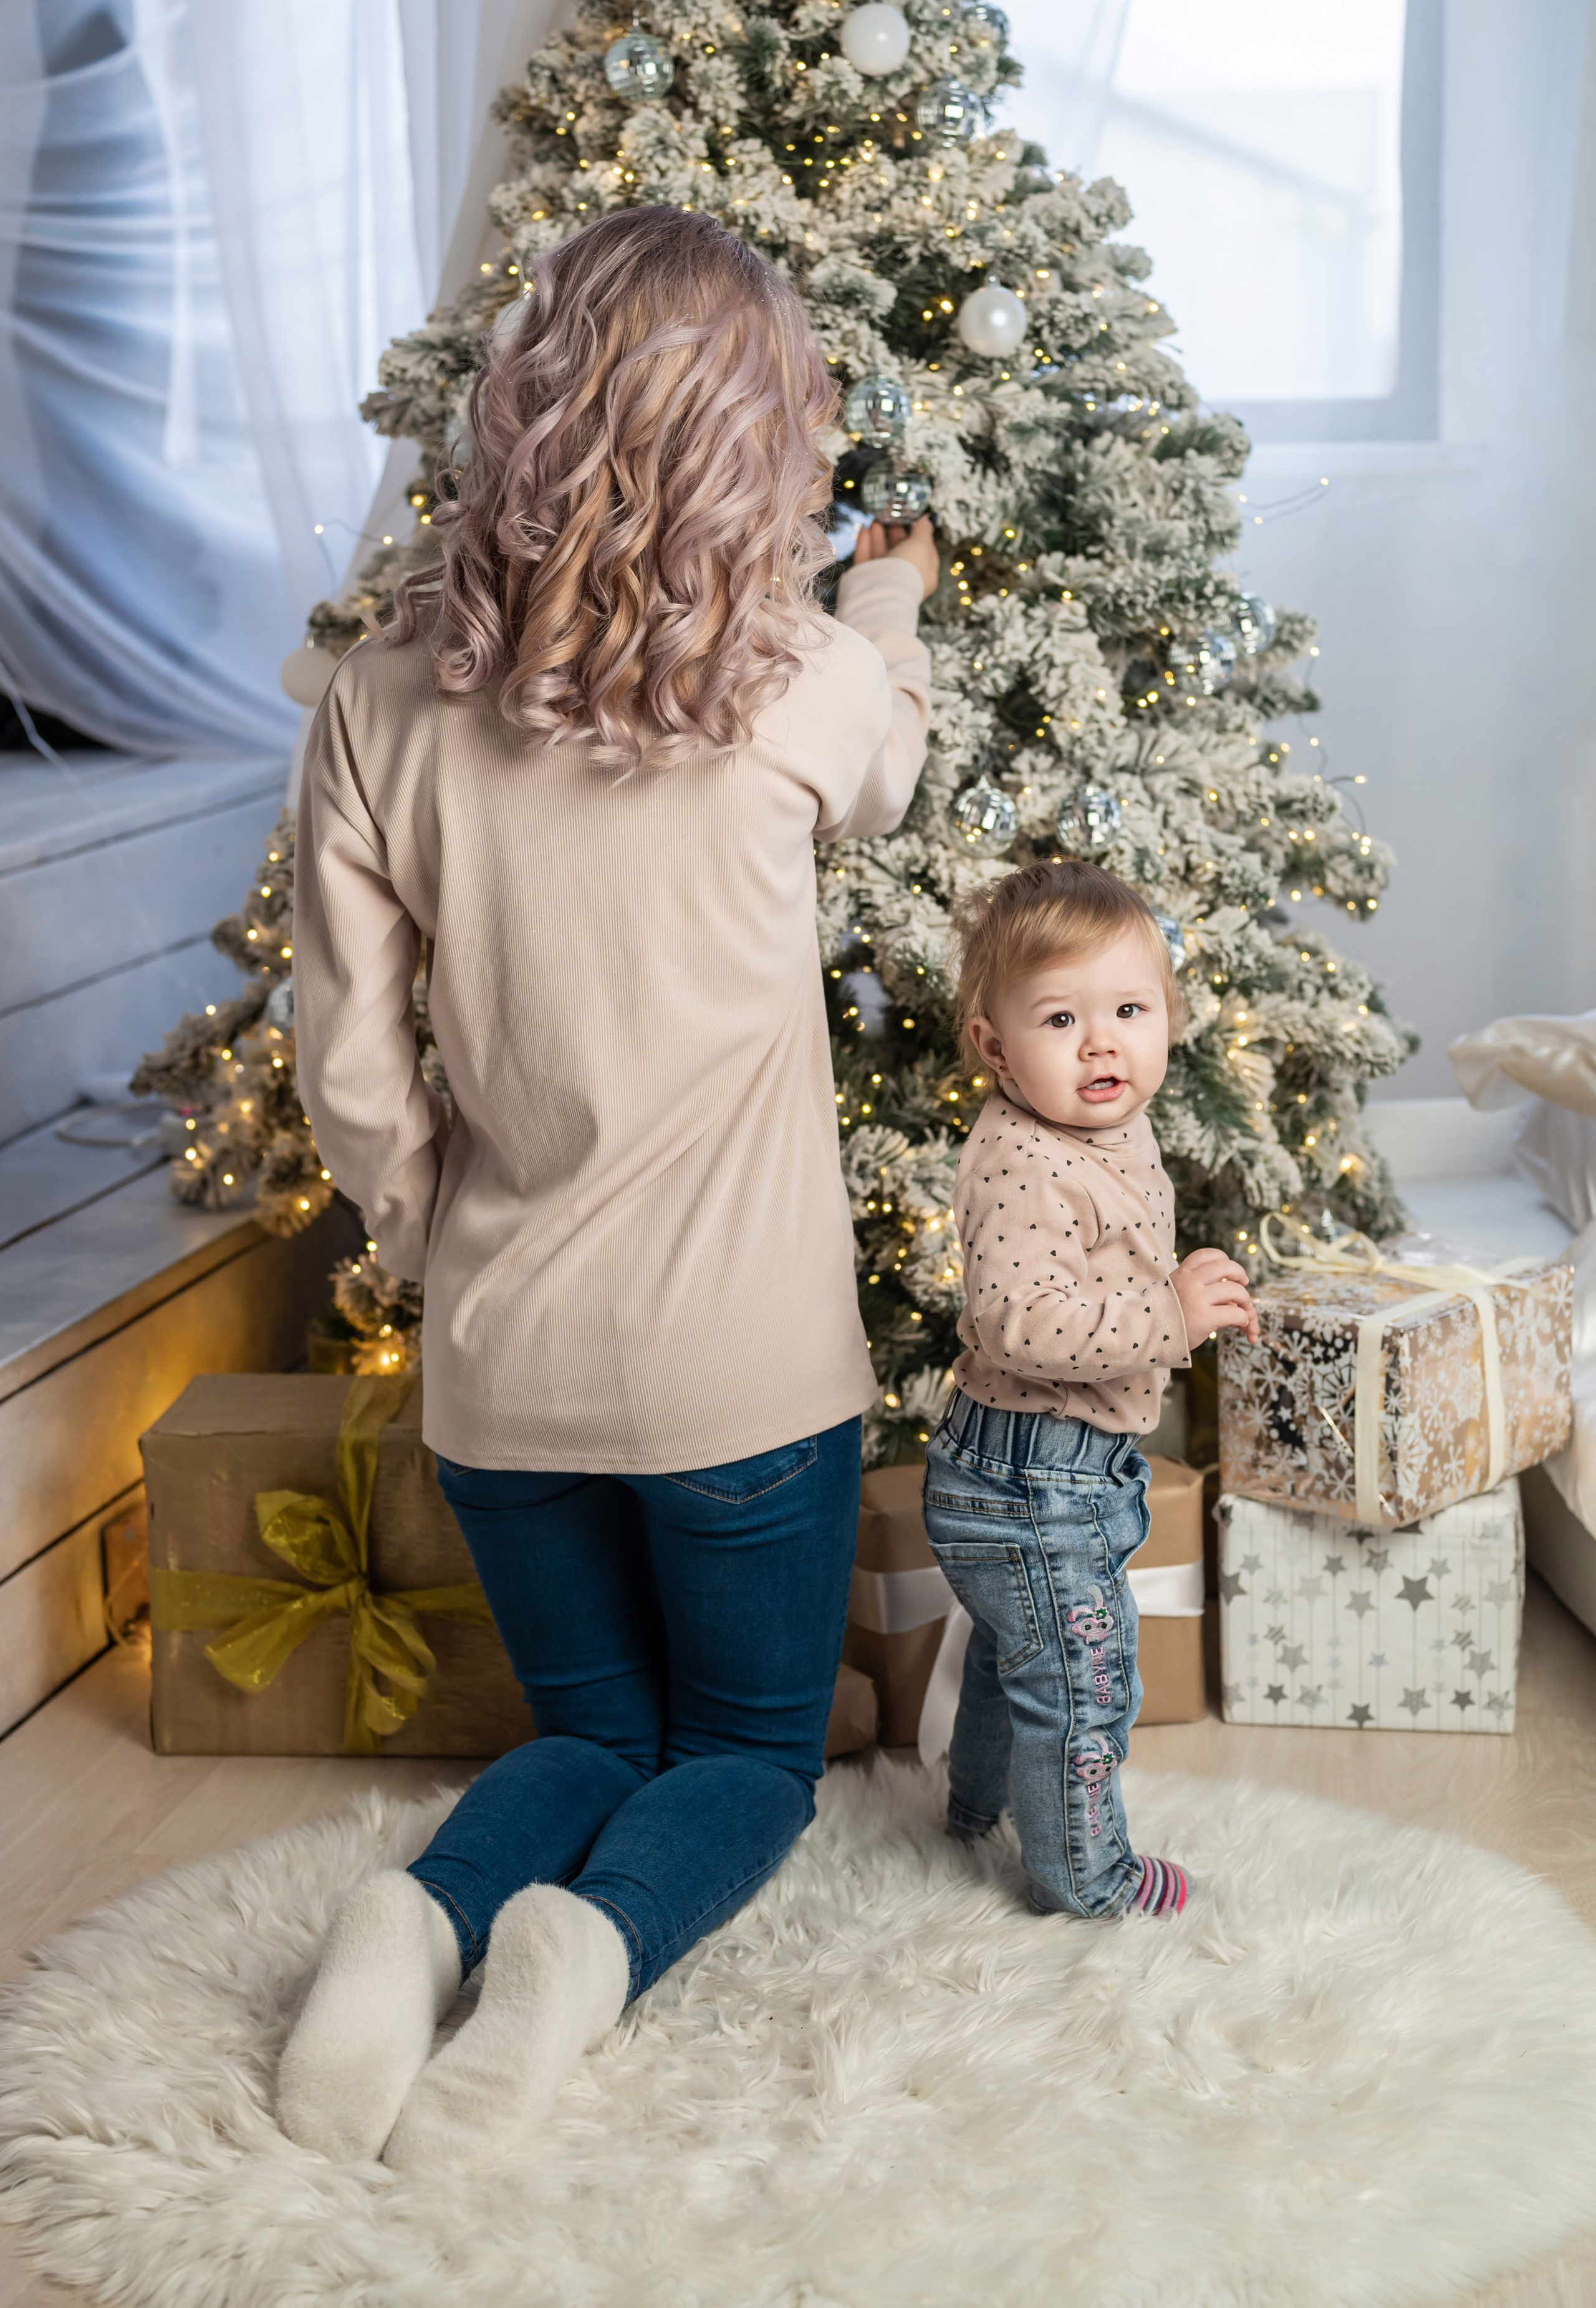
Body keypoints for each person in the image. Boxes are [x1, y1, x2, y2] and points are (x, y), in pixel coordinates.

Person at [276, 204, 935, 2171]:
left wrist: (427, 1231)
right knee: (740, 1757)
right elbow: (892, 759)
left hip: (502, 1359)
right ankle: (576, 1958)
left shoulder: (385, 695)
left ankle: (411, 1928)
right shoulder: (797, 674)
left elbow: (351, 1063)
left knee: (584, 1736)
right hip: (740, 1367)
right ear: (764, 440)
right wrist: (887, 597)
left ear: (533, 405)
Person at [924, 860, 1258, 1922]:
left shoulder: (1107, 1119)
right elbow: (1017, 1321)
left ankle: (977, 1806)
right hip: (1033, 1482)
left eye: (1128, 1009)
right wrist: (1169, 1314)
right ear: (994, 1047)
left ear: (1168, 1016)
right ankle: (1085, 1877)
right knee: (1079, 1683)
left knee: (1013, 1651)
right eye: (1061, 1017)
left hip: (1045, 1469)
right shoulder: (1023, 1162)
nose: (1102, 1042)